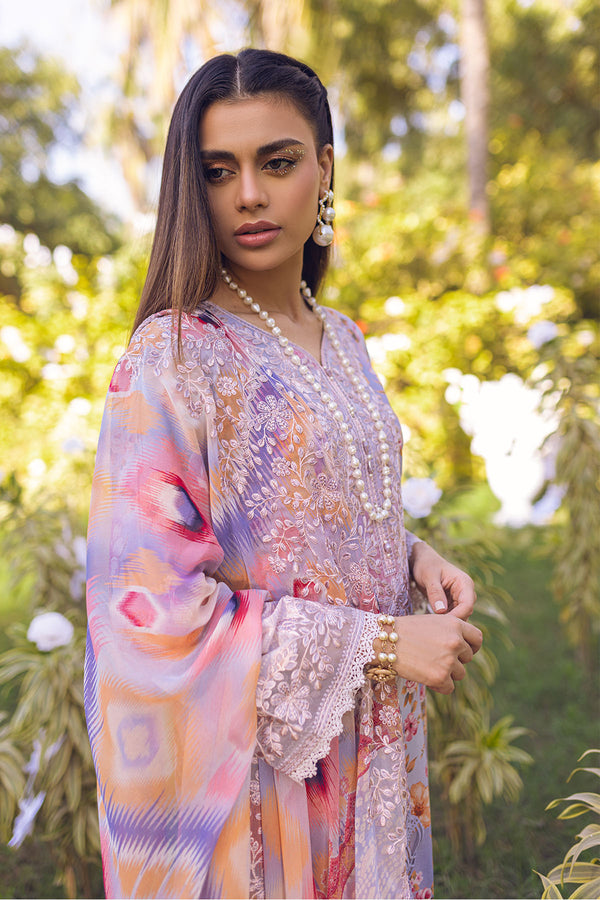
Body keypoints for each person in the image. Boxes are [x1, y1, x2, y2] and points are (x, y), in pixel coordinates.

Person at [84, 48, 482, 900]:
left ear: (324, 168)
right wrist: (385, 644)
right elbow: (149, 607)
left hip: (372, 745)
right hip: (265, 778)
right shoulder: (174, 355)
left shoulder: (343, 337)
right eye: (218, 171)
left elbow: (312, 507)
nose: (249, 196)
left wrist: (414, 556)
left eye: (277, 161)